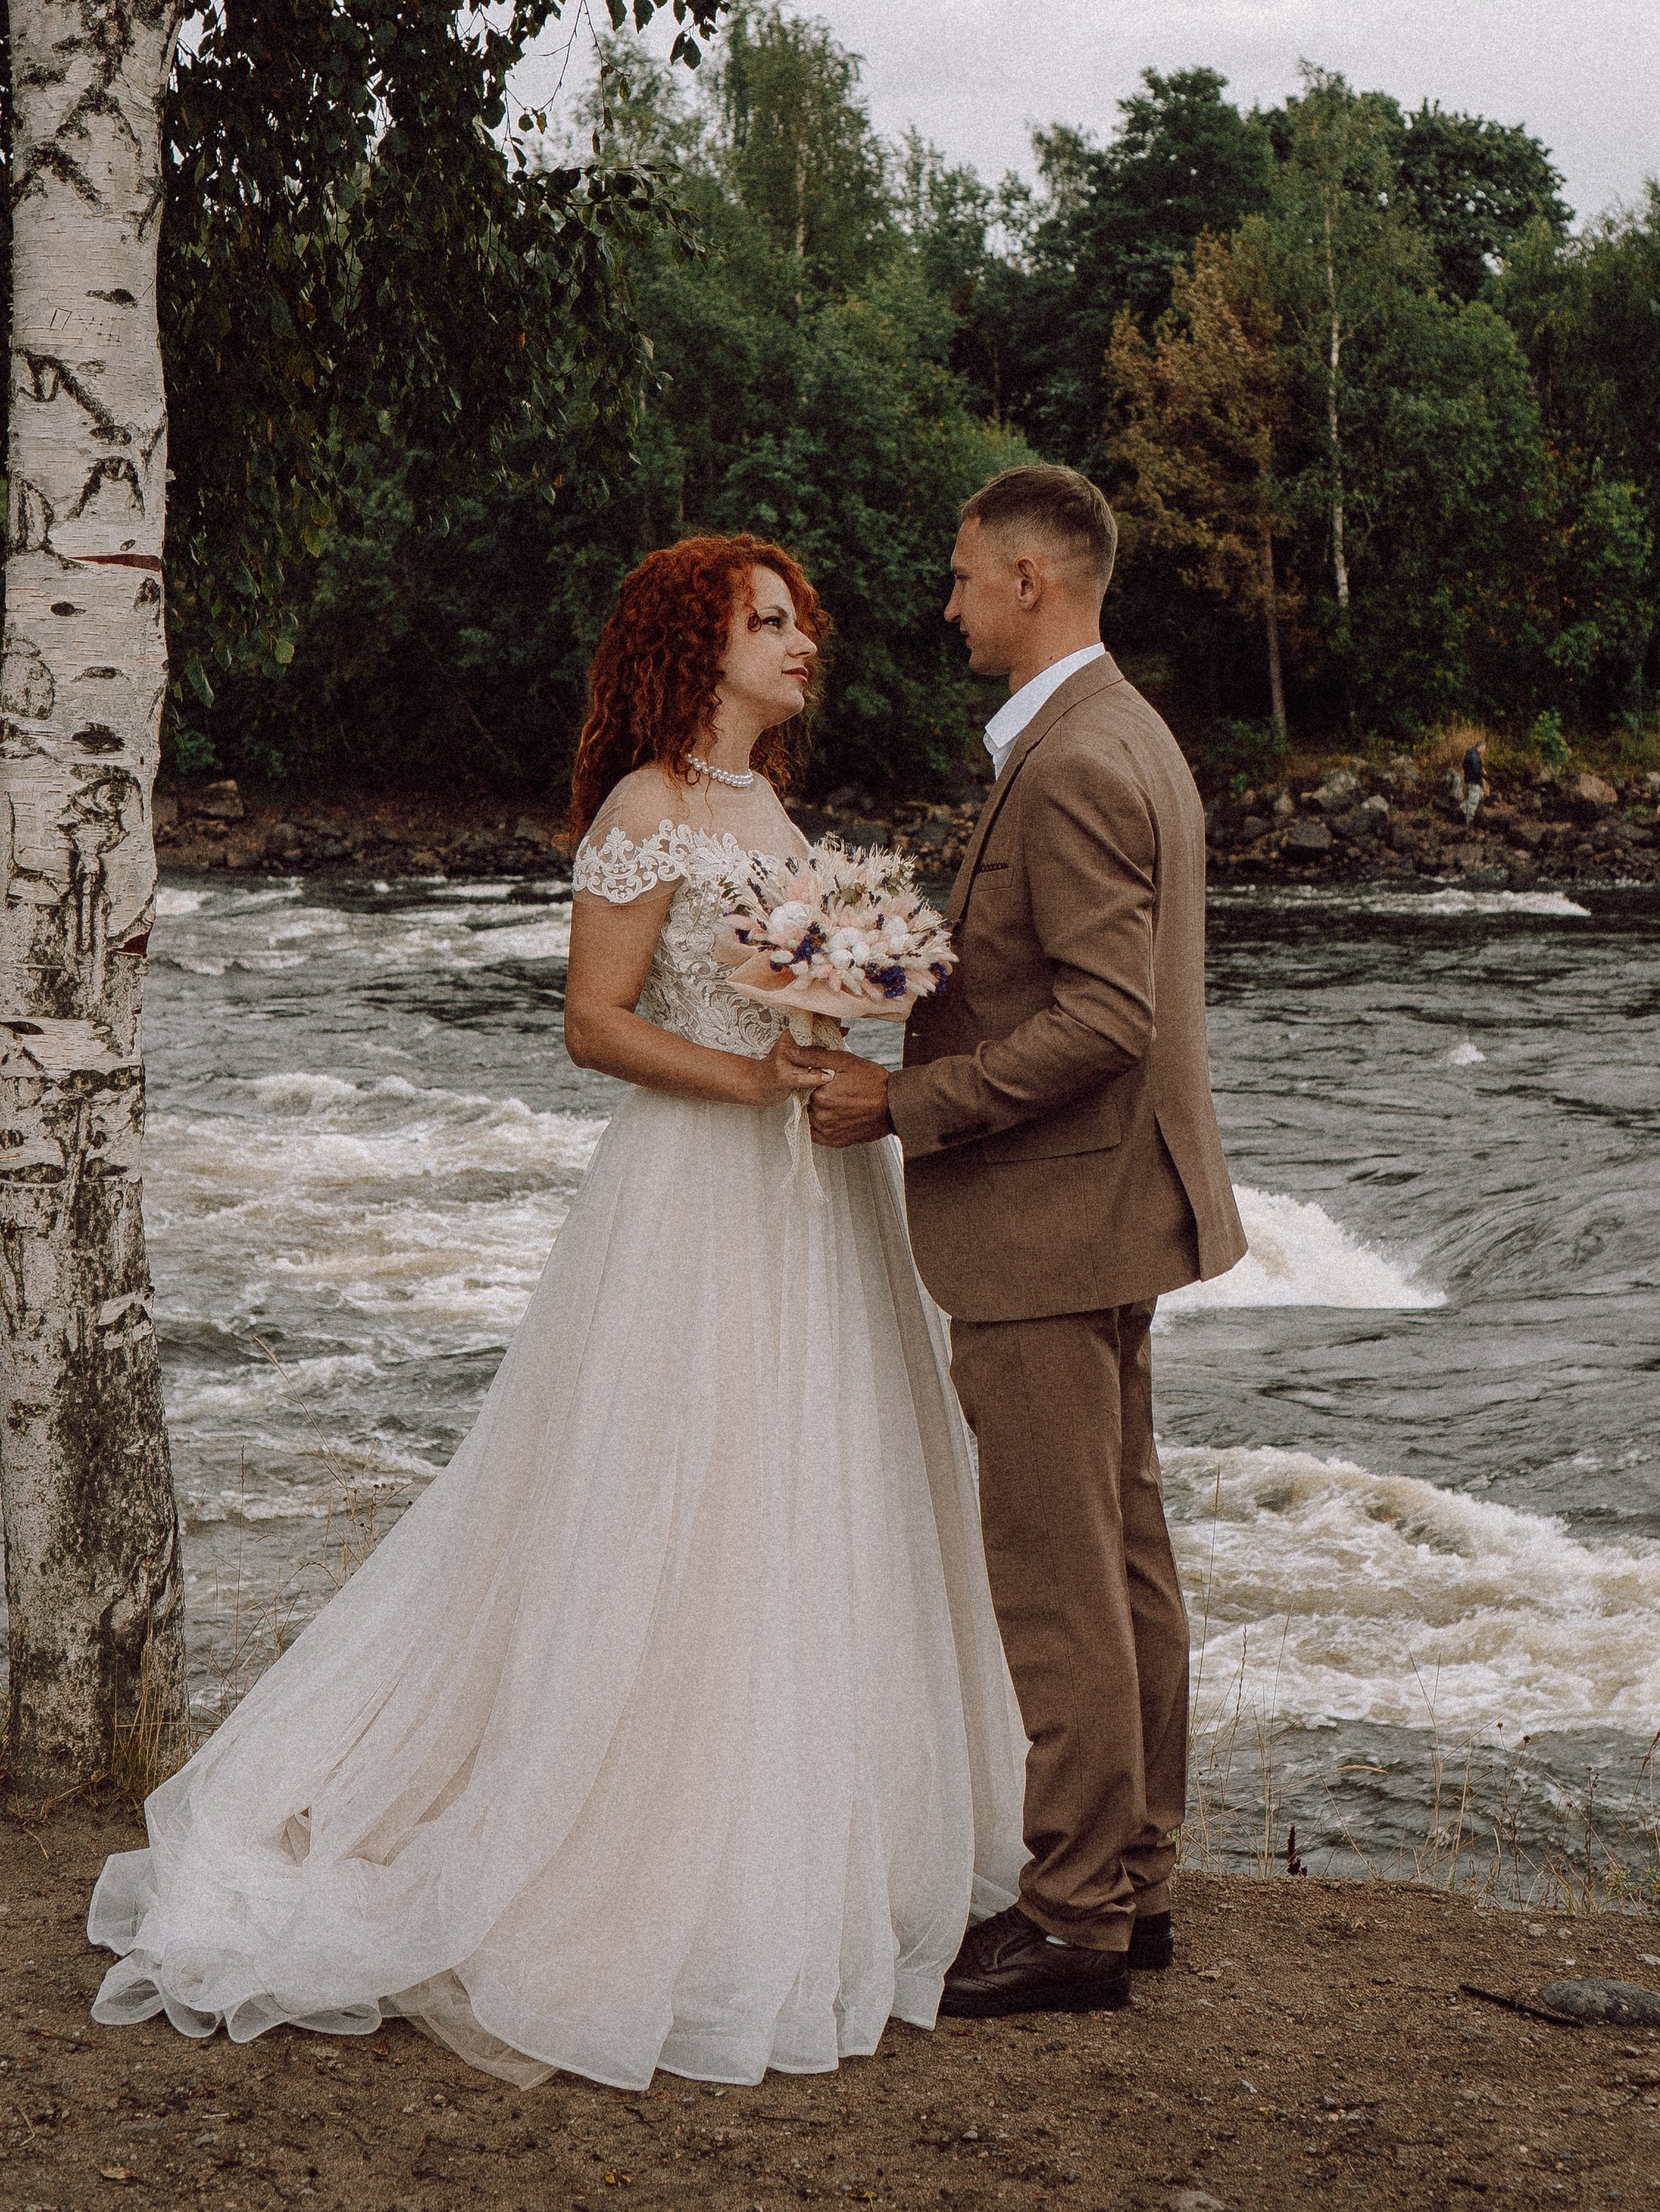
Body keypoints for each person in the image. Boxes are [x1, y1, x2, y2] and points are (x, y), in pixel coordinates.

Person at [90, 534, 1024, 2090]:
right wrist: (754, 1073)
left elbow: (801, 983)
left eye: (802, 623)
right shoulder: (646, 811)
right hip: (694, 1192)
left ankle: (783, 1836)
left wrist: (849, 1008)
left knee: (807, 1490)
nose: (804, 646)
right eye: (769, 624)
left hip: (814, 1197)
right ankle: (617, 1849)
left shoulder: (769, 807)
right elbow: (592, 1026)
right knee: (674, 1494)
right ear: (694, 646)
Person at [808, 467, 1246, 2019]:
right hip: (1109, 1210)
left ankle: (1070, 1921)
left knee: (1059, 1575)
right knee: (1123, 1563)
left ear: (1028, 584)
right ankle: (1128, 1889)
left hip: (1051, 1220)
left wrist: (904, 1100)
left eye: (958, 577)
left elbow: (1104, 1021)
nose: (946, 605)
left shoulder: (1069, 762)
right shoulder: (1122, 732)